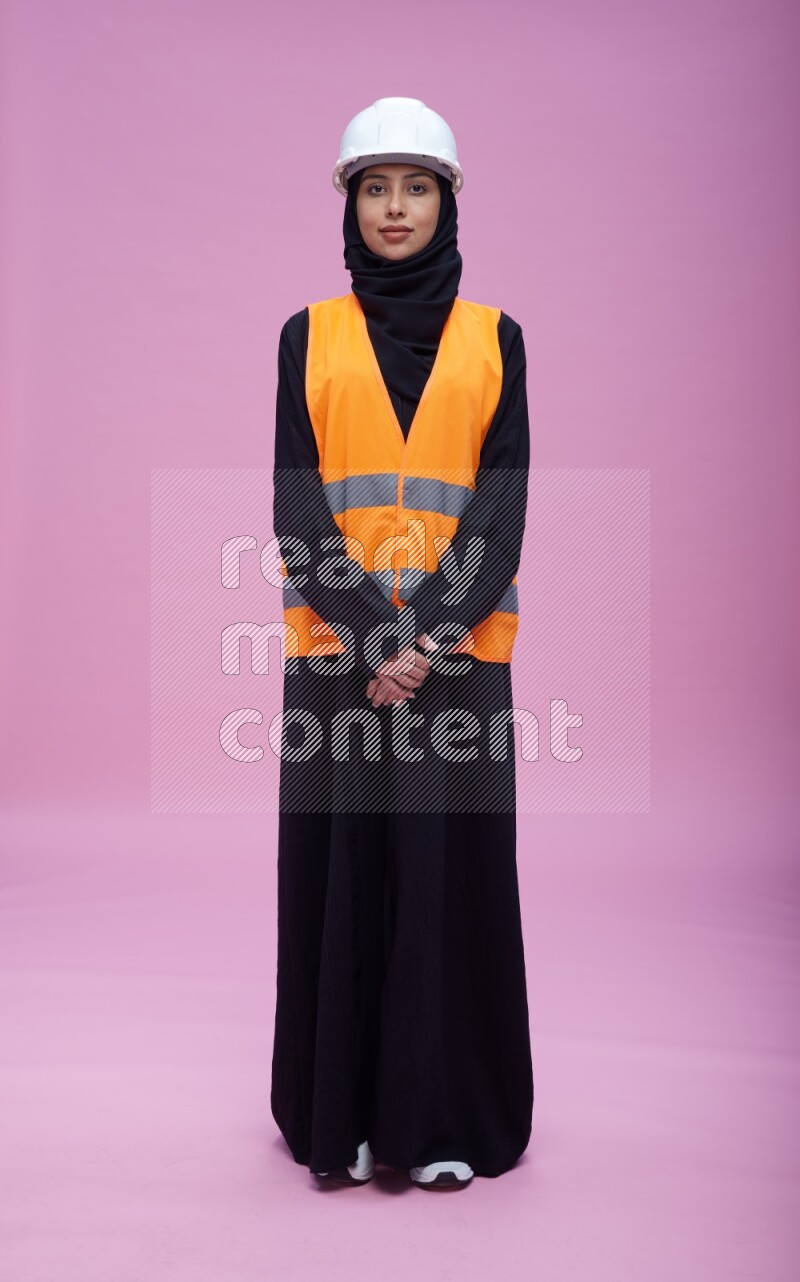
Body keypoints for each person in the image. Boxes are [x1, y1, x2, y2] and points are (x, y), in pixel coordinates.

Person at [270, 97, 533, 1191]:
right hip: (338, 660)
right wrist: (379, 635)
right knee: (342, 874)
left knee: (444, 881)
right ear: (349, 203)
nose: (394, 207)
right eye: (374, 187)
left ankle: (439, 1120)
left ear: (447, 202)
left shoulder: (496, 340)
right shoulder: (307, 335)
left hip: (457, 664)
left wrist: (420, 636)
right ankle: (343, 1117)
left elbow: (499, 512)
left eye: (415, 187)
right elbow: (297, 508)